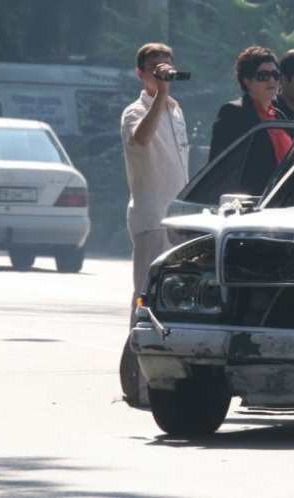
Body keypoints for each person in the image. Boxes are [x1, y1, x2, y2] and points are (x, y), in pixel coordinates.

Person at [119, 42, 190, 406]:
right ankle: (139, 385)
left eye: (168, 67)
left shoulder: (176, 111)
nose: (163, 73)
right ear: (141, 74)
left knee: (173, 300)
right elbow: (142, 139)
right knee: (144, 299)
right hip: (150, 217)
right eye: (154, 68)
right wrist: (159, 94)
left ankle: (165, 378)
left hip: (178, 218)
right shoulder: (136, 111)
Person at [208, 45, 291, 194]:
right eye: (263, 76)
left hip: (280, 198)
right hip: (249, 200)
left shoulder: (279, 115)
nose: (271, 80)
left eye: (275, 75)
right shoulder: (233, 112)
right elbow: (219, 166)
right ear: (247, 80)